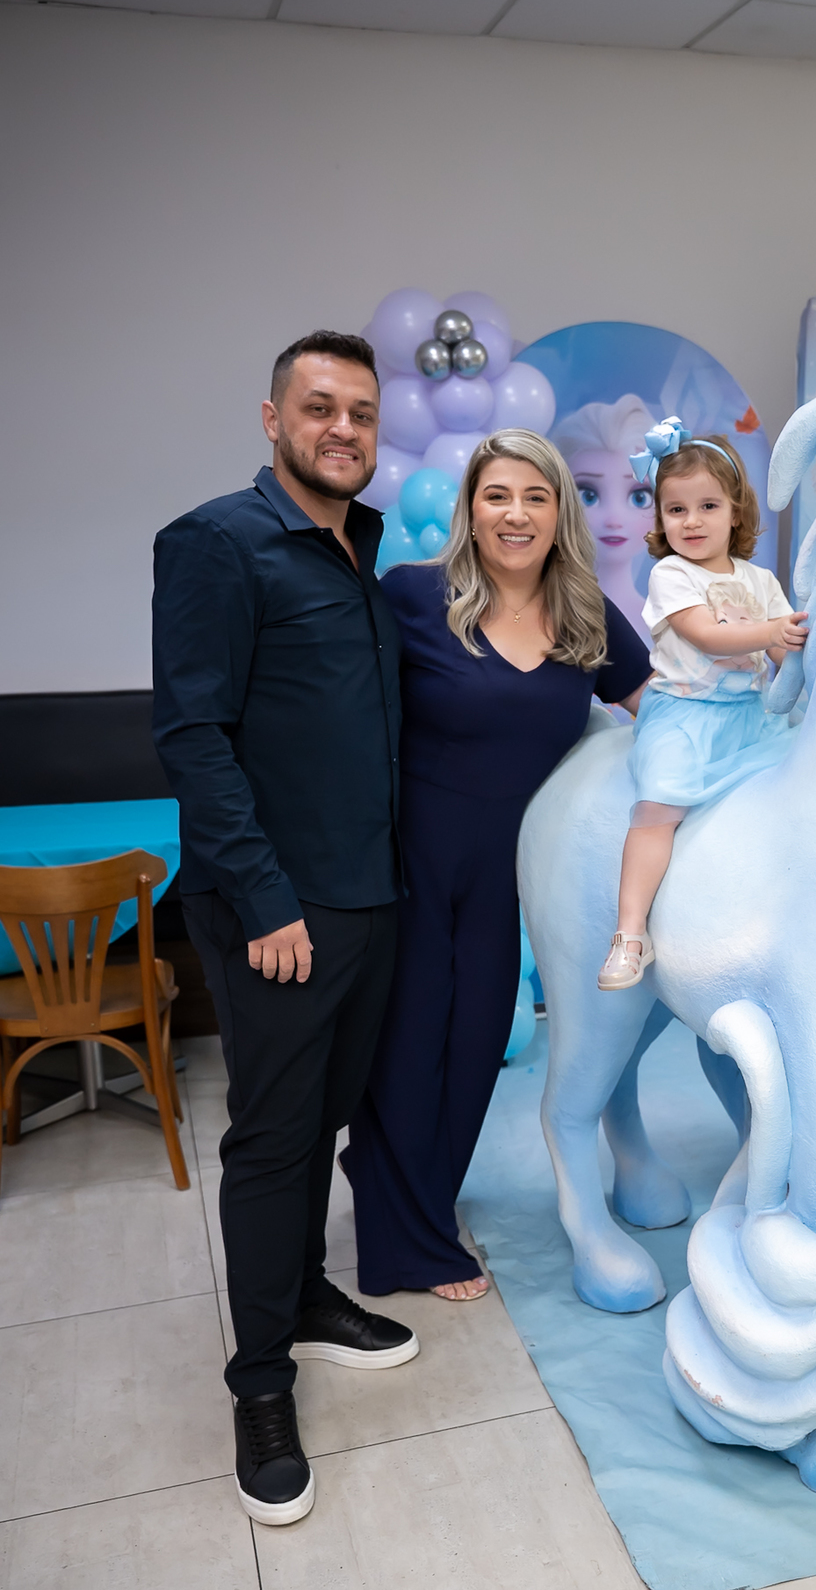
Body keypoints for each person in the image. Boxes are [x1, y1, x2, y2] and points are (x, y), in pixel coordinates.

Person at [152, 331, 418, 1527]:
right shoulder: (216, 542)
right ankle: (259, 1383)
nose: (343, 428)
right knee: (270, 1141)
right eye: (320, 407)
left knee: (324, 1118)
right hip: (278, 913)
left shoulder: (362, 547)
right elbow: (192, 736)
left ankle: (305, 1294)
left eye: (360, 410)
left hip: (368, 897)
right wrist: (265, 900)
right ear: (273, 419)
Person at [341, 429, 650, 1301]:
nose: (516, 514)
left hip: (503, 878)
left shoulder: (585, 613)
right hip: (404, 863)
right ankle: (409, 1246)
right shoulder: (413, 595)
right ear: (471, 509)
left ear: (559, 514)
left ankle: (410, 1194)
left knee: (475, 1050)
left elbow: (660, 704)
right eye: (497, 495)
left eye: (536, 497)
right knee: (406, 1050)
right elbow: (341, 711)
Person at [598, 419, 809, 991]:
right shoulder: (672, 575)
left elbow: (785, 655)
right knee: (656, 810)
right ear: (660, 519)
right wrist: (774, 632)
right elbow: (707, 636)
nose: (691, 521)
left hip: (752, 718)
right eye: (676, 510)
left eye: (708, 506)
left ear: (736, 512)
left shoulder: (760, 580)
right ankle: (630, 932)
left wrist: (802, 655)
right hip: (686, 717)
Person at [552, 394, 658, 644]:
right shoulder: (540, 617)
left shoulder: (670, 626)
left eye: (639, 497)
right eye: (588, 496)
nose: (614, 519)